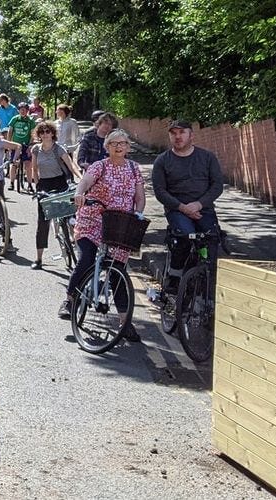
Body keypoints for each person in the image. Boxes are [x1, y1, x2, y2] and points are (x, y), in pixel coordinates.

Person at [60, 130, 146, 343]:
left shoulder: (134, 169)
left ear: (128, 147)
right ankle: (69, 300)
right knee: (87, 258)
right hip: (92, 219)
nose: (118, 146)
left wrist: (139, 213)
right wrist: (79, 194)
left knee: (118, 271)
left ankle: (125, 322)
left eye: (123, 143)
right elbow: (85, 182)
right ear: (107, 147)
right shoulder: (100, 166)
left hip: (120, 223)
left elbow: (140, 196)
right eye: (114, 143)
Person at [151, 119, 226, 292]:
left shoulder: (207, 157)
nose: (177, 137)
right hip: (177, 210)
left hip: (203, 209)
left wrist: (199, 204)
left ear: (191, 135)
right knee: (185, 236)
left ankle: (207, 280)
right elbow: (160, 191)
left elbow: (217, 186)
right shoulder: (162, 161)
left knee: (211, 239)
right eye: (173, 133)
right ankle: (175, 275)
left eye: (182, 132)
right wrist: (182, 207)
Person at [27, 122, 82, 269]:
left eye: (48, 131)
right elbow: (34, 169)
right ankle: (39, 259)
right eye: (42, 132)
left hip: (60, 183)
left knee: (71, 217)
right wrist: (37, 187)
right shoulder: (35, 149)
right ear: (39, 135)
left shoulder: (58, 148)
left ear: (52, 133)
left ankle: (77, 248)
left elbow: (71, 165)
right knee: (42, 222)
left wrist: (81, 179)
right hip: (44, 186)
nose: (45, 134)